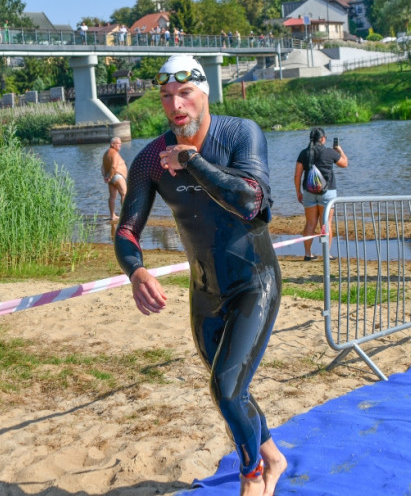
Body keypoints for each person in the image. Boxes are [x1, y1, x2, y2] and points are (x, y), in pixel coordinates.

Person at [114, 55, 287, 495]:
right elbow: (128, 230)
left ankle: (253, 479)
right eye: (167, 97)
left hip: (254, 284)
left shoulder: (240, 134)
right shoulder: (150, 159)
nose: (177, 106)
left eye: (185, 93)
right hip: (205, 292)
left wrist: (192, 161)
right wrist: (136, 271)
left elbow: (252, 202)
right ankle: (272, 456)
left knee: (227, 390)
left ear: (204, 92)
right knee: (230, 388)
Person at [294, 127, 348, 261]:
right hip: (327, 193)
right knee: (326, 223)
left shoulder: (304, 153)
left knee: (310, 223)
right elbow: (345, 164)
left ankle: (307, 254)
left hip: (308, 192)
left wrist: (298, 192)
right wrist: (340, 150)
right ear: (323, 139)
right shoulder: (330, 152)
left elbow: (297, 175)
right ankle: (326, 254)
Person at [102, 136, 128, 221]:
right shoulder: (114, 153)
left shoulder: (106, 153)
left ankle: (112, 215)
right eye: (118, 143)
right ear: (112, 144)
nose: (120, 145)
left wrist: (106, 176)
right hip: (117, 176)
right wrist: (109, 177)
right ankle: (125, 215)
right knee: (124, 194)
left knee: (112, 197)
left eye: (121, 143)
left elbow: (102, 167)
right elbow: (113, 166)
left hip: (111, 177)